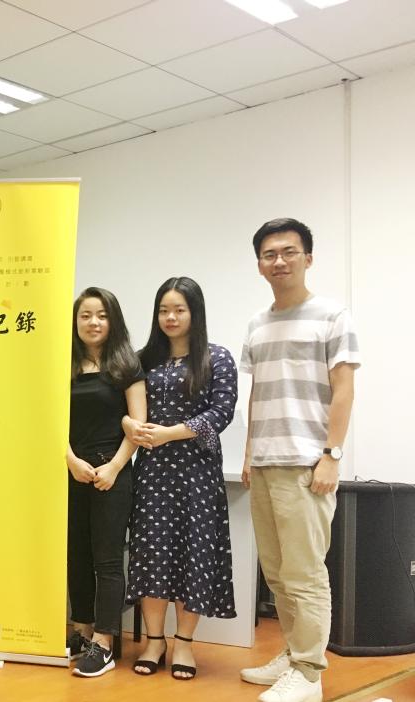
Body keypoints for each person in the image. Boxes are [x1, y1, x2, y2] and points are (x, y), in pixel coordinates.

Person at [239, 218, 359, 702]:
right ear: (259, 265)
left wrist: (331, 455)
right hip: (265, 463)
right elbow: (257, 393)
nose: (279, 261)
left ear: (308, 258)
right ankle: (292, 654)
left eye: (289, 252)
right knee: (276, 571)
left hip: (308, 463)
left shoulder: (332, 315)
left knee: (305, 573)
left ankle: (309, 673)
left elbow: (344, 389)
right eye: (269, 254)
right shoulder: (257, 323)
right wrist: (249, 453)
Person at [123, 277, 238, 681]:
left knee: (195, 555)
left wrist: (171, 433)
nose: (170, 317)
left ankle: (184, 643)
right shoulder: (142, 360)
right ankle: (154, 641)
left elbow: (221, 413)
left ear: (195, 313)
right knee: (152, 553)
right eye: (164, 310)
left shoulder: (217, 358)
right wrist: (130, 424)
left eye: (179, 310)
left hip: (198, 473)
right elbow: (123, 407)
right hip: (153, 472)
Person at [67, 287, 146, 678]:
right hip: (72, 471)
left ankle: (104, 641)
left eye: (101, 315)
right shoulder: (64, 364)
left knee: (108, 560)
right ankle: (81, 630)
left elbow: (138, 424)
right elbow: (50, 419)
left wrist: (114, 467)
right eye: (85, 315)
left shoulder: (127, 365)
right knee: (76, 554)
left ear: (112, 320)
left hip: (113, 474)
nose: (93, 322)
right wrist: (70, 460)